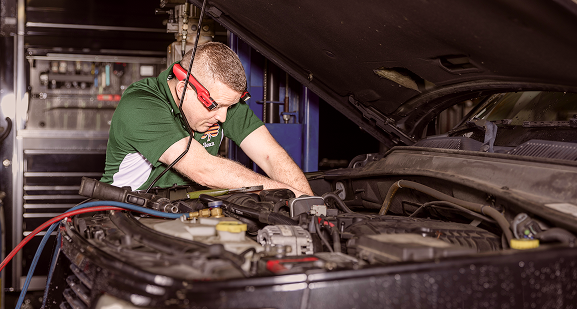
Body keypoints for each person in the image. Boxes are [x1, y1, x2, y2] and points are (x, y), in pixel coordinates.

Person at [101, 42, 313, 197]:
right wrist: (289, 195)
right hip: (122, 214)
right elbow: (204, 169)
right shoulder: (141, 105)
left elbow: (270, 155)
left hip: (183, 212)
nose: (222, 116)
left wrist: (307, 203)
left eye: (228, 107)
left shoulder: (222, 100)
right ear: (185, 89)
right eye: (215, 106)